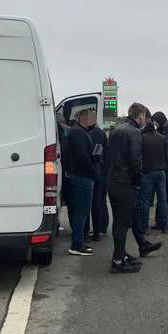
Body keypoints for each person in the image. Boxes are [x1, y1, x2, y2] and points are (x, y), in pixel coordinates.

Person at [105, 103, 161, 273]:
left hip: (113, 179)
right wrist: (138, 181)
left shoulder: (117, 129)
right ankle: (118, 260)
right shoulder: (134, 132)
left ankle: (120, 254)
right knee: (123, 223)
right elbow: (136, 160)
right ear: (141, 115)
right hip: (125, 182)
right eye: (144, 116)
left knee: (118, 222)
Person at [61, 109, 98, 256]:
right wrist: (93, 170)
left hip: (78, 175)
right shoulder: (78, 133)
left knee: (79, 210)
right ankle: (77, 244)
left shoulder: (76, 132)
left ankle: (79, 242)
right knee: (81, 211)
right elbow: (82, 156)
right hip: (82, 176)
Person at [137, 113, 168, 234]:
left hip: (147, 172)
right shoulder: (162, 138)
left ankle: (145, 227)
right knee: (162, 199)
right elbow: (166, 154)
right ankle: (164, 226)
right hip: (161, 172)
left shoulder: (142, 138)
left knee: (145, 201)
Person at [86, 115, 110, 242]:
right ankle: (102, 228)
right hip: (102, 171)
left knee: (94, 202)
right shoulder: (101, 133)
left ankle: (96, 230)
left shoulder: (87, 133)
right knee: (101, 201)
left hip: (92, 171)